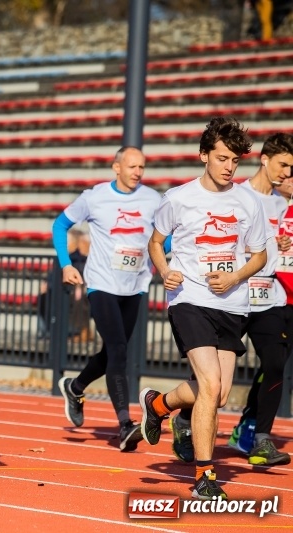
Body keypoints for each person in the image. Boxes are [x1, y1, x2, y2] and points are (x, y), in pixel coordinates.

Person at [142, 117, 266, 500]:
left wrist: (234, 278)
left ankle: (159, 404)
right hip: (190, 300)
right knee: (210, 386)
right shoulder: (178, 198)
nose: (230, 167)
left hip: (232, 303)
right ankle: (205, 476)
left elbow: (259, 256)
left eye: (235, 161)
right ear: (204, 156)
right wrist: (165, 271)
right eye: (223, 158)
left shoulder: (249, 201)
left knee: (219, 394)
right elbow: (156, 242)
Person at [54, 147, 161, 452]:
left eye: (142, 166)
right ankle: (126, 424)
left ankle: (74, 387)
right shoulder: (94, 197)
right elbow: (60, 225)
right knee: (118, 351)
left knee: (116, 350)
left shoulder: (154, 199)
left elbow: (164, 235)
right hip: (101, 283)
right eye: (132, 166)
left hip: (136, 284)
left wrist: (162, 259)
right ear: (117, 167)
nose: (138, 172)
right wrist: (66, 264)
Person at [209, 132, 293, 467]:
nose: (288, 173)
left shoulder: (280, 203)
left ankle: (260, 439)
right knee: (213, 377)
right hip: (235, 295)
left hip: (268, 296)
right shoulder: (236, 194)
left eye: (291, 168)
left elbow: (271, 242)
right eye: (284, 165)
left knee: (275, 364)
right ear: (264, 159)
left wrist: (279, 245)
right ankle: (185, 420)